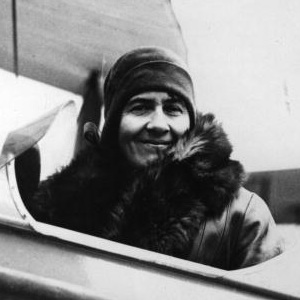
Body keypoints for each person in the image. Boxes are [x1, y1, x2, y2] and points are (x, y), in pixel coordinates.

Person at [28, 46, 284, 270]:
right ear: (114, 125)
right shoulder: (60, 203)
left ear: (191, 122)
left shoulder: (244, 217)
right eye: (140, 107)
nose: (159, 124)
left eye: (173, 109)